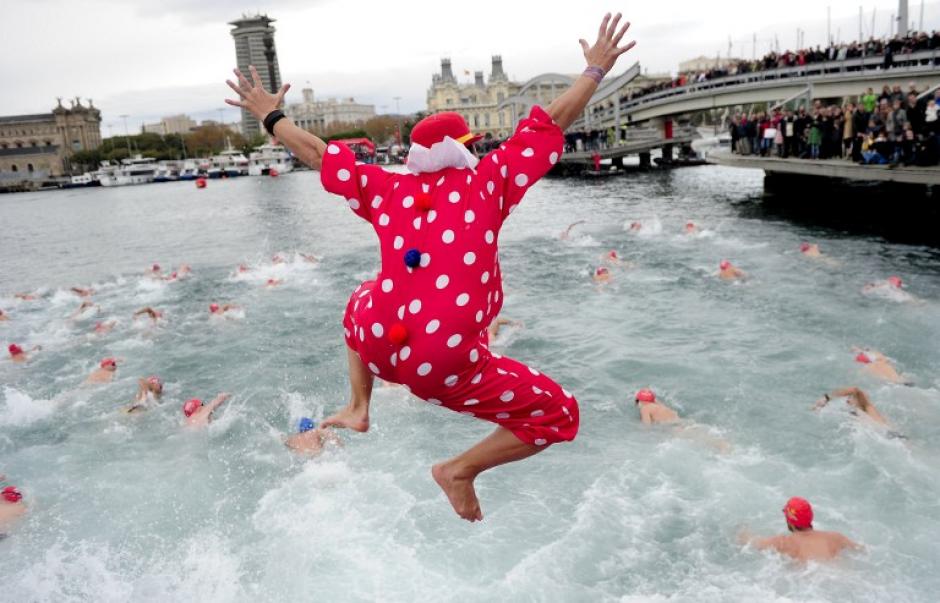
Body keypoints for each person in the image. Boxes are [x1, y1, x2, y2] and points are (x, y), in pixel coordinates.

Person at [223, 11, 636, 522]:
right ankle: (459, 470)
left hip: (378, 340)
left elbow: (317, 152)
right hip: (441, 360)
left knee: (360, 297)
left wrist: (270, 116)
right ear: (465, 151)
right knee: (557, 413)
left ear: (416, 155)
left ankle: (358, 405)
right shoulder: (487, 183)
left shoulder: (387, 188)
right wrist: (593, 72)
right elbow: (551, 121)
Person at [739, 497, 862, 562]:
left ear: (790, 521)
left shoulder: (783, 542)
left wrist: (740, 528)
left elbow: (752, 543)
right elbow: (861, 550)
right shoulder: (836, 537)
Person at [812, 386, 892, 428]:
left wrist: (827, 397)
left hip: (891, 437)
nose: (848, 401)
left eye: (850, 397)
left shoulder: (866, 406)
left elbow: (855, 389)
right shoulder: (860, 413)